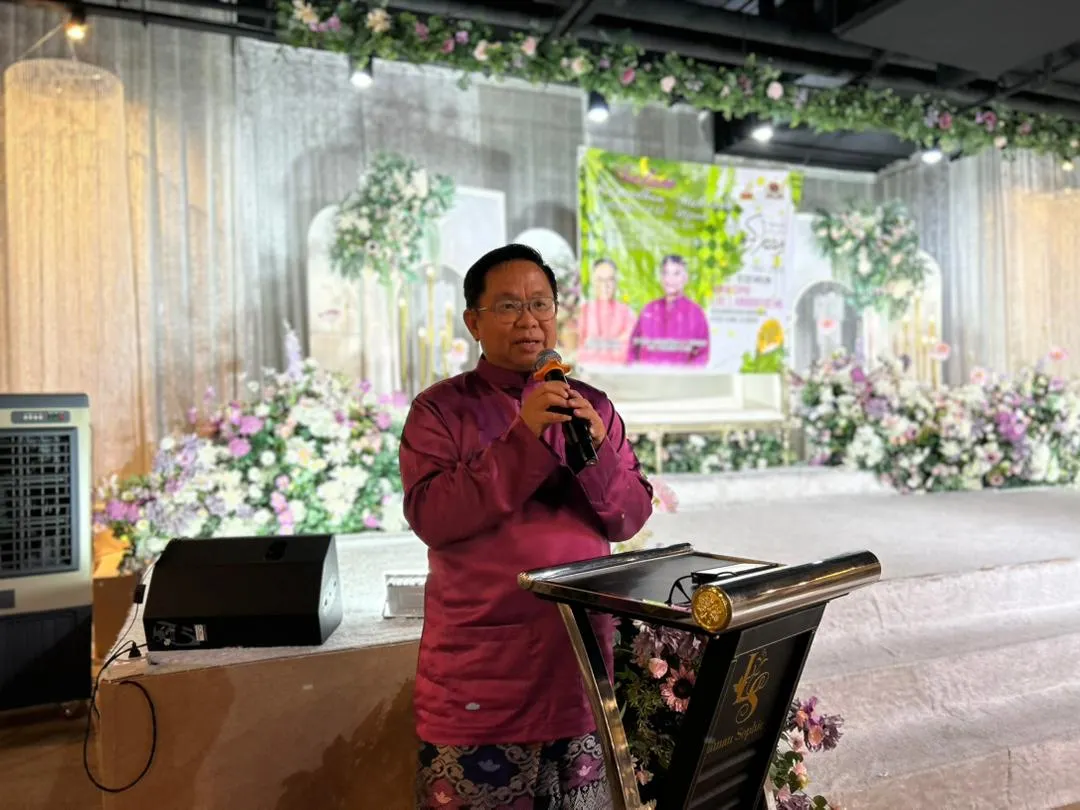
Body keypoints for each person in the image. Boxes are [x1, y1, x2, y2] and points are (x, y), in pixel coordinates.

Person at [399, 243, 654, 810]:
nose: (529, 320)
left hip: (578, 669)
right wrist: (524, 438)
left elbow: (630, 515)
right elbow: (434, 517)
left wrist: (597, 453)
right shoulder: (440, 411)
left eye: (541, 304)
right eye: (510, 306)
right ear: (474, 322)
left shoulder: (591, 406)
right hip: (481, 679)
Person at [627, 254, 711, 366]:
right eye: (666, 273)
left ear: (686, 278)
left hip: (680, 376)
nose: (670, 279)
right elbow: (633, 348)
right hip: (647, 375)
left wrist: (687, 374)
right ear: (661, 278)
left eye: (676, 273)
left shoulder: (695, 313)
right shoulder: (649, 309)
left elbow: (702, 354)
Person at [576, 259, 637, 366]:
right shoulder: (583, 312)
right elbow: (575, 351)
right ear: (593, 281)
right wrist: (614, 344)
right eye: (600, 279)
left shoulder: (627, 314)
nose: (605, 285)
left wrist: (594, 346)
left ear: (616, 282)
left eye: (610, 279)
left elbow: (629, 350)